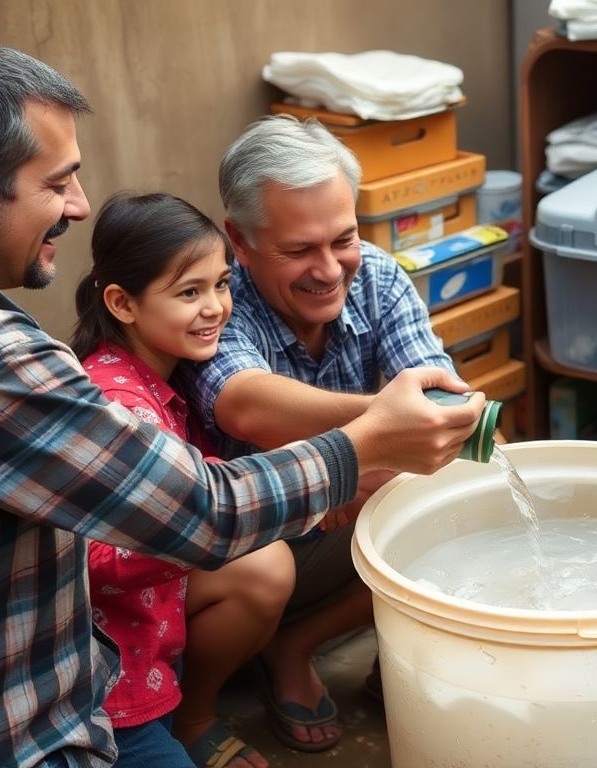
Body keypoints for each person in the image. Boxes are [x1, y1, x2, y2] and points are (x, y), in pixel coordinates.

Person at [0, 36, 484, 768]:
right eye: (58, 181)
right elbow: (205, 512)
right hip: (2, 738)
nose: (79, 204)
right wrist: (366, 444)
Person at [176, 114, 459, 752]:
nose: (329, 270)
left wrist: (396, 452)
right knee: (268, 569)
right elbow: (244, 403)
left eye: (344, 239)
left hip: (332, 530)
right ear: (240, 242)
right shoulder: (215, 300)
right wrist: (375, 437)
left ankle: (294, 645)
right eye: (299, 250)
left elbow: (438, 392)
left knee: (455, 484)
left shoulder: (380, 276)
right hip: (246, 546)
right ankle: (190, 714)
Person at [68, 192, 282, 767]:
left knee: (268, 562)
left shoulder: (159, 373)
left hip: (153, 633)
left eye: (221, 284)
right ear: (122, 303)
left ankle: (189, 716)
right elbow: (98, 559)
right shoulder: (119, 403)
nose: (215, 306)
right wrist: (207, 520)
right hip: (115, 681)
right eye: (190, 292)